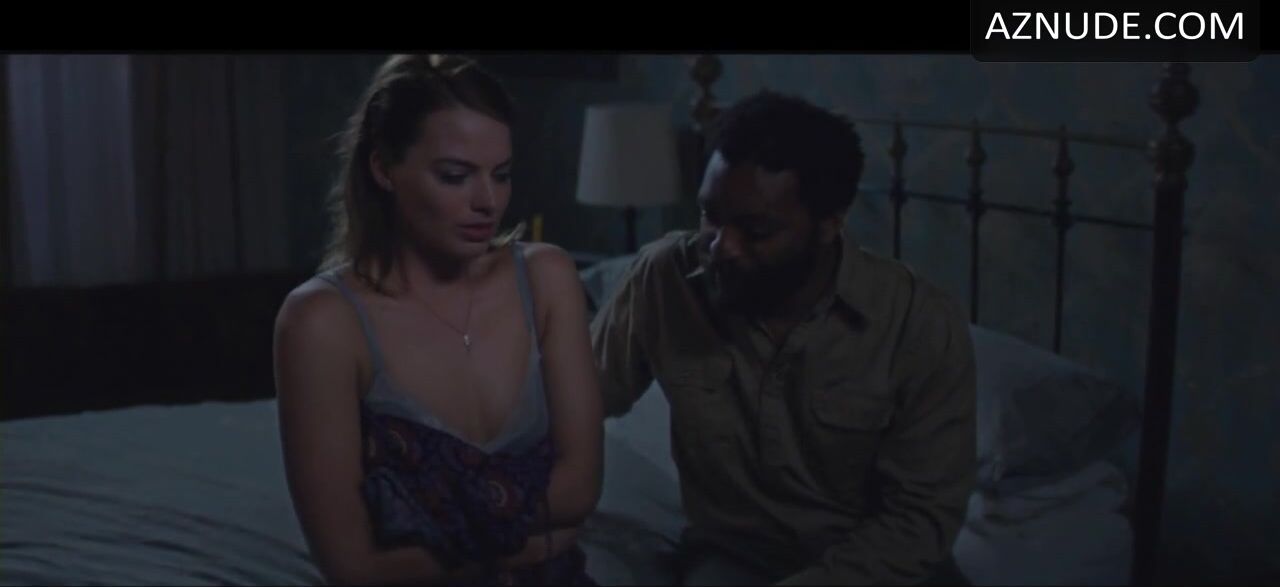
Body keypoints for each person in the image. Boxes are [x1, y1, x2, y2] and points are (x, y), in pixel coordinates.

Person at [590, 90, 977, 585]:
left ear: (829, 225)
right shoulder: (666, 279)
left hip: (880, 570)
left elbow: (920, 520)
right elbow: (573, 400)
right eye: (710, 215)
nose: (722, 247)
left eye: (756, 231)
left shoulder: (916, 324)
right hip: (735, 557)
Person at [273, 54, 602, 586]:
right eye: (455, 176)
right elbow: (354, 569)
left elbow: (581, 489)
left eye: (501, 175)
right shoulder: (323, 322)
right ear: (384, 169)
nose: (487, 202)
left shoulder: (547, 278)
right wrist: (528, 543)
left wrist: (435, 530)